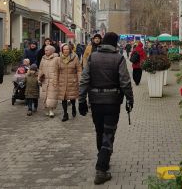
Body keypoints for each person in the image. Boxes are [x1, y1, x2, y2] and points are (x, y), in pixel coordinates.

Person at [78, 32, 134, 185]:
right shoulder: (119, 58)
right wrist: (130, 98)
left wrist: (81, 100)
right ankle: (101, 169)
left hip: (95, 102)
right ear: (115, 43)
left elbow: (84, 79)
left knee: (100, 131)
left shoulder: (93, 57)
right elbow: (125, 82)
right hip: (112, 102)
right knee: (108, 133)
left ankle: (103, 158)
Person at [57, 44, 82, 122]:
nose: (65, 51)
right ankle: (65, 114)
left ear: (70, 50)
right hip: (62, 81)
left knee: (72, 97)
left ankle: (74, 106)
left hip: (72, 81)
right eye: (64, 49)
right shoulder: (59, 59)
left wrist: (79, 79)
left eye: (67, 49)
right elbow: (56, 70)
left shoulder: (75, 58)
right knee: (63, 98)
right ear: (62, 50)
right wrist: (56, 80)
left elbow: (79, 70)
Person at [38, 45, 59, 118]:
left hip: (53, 80)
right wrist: (39, 78)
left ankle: (51, 110)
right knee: (45, 96)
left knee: (52, 96)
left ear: (51, 51)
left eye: (47, 50)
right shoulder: (43, 58)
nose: (45, 51)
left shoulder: (57, 59)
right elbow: (40, 69)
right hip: (45, 80)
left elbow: (60, 69)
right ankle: (47, 109)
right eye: (45, 50)